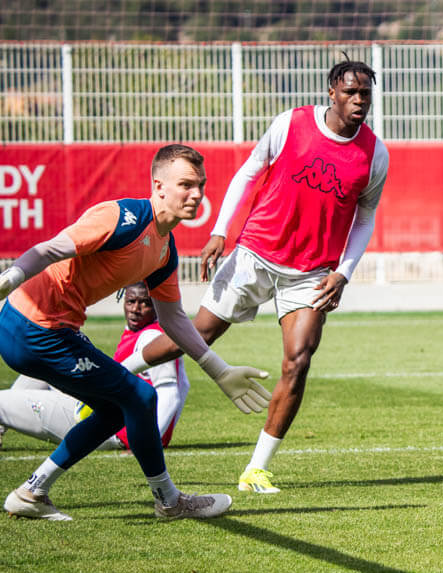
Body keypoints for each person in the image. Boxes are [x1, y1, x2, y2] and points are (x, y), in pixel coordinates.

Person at [130, 59, 389, 494]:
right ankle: (114, 375)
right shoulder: (291, 123)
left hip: (311, 273)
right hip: (255, 253)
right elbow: (249, 171)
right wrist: (220, 231)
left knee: (298, 361)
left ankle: (256, 470)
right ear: (332, 92)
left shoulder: (375, 154)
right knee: (197, 335)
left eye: (365, 93)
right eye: (350, 91)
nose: (358, 100)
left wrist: (344, 273)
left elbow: (365, 218)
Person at [0, 144, 271, 521]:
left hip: (43, 330)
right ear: (159, 186)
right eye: (186, 185)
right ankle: (169, 501)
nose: (196, 194)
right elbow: (50, 250)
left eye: (201, 185)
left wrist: (219, 369)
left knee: (116, 409)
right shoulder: (123, 217)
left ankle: (32, 491)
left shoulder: (164, 251)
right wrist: (11, 277)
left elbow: (173, 319)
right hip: (34, 328)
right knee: (140, 397)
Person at [0, 282, 189, 452]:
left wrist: (148, 442)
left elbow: (170, 392)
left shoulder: (151, 337)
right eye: (131, 302)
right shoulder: (142, 333)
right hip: (103, 411)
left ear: (156, 306)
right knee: (40, 366)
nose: (135, 309)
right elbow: (184, 385)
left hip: (112, 427)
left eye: (145, 303)